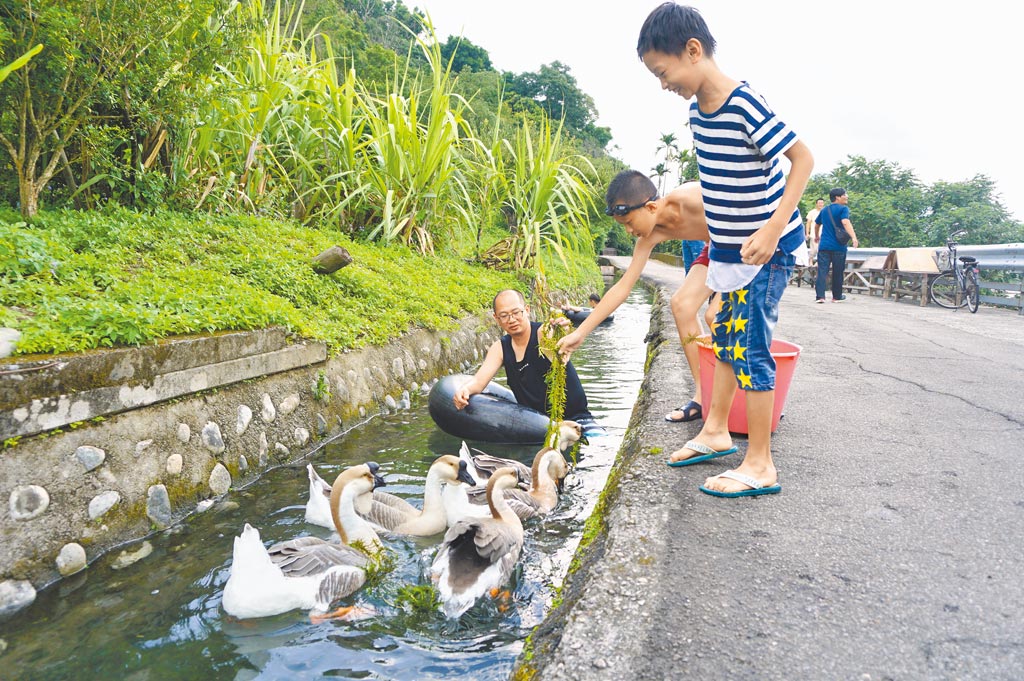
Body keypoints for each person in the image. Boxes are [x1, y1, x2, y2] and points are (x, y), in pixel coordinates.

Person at [600, 2, 814, 498]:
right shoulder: (699, 112)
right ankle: (716, 431)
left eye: (663, 71)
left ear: (692, 50)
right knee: (724, 341)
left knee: (752, 348)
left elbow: (801, 157)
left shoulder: (743, 103)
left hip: (768, 248)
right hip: (732, 255)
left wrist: (774, 225)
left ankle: (760, 463)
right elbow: (722, 188)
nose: (663, 83)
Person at [554, 171, 716, 425]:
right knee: (682, 306)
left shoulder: (693, 197)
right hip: (717, 248)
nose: (629, 231)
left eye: (629, 222)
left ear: (651, 206)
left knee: (716, 316)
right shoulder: (648, 236)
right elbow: (622, 287)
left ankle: (751, 393)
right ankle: (705, 396)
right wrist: (580, 333)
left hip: (750, 240)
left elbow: (744, 212)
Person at [454, 289, 595, 426]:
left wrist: (560, 330)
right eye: (504, 315)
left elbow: (553, 336)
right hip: (534, 425)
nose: (512, 319)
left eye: (516, 312)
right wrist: (465, 390)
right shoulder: (499, 349)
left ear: (527, 310)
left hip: (577, 419)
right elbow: (479, 381)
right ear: (496, 318)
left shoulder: (542, 333)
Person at [814, 187, 859, 303]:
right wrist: (853, 237)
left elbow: (816, 224)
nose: (847, 196)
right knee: (838, 271)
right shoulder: (843, 209)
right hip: (839, 246)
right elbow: (845, 222)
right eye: (845, 194)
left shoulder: (824, 210)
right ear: (838, 197)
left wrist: (817, 236)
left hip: (824, 246)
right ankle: (836, 296)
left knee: (822, 271)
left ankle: (820, 296)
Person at [805, 197, 825, 264]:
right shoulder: (812, 212)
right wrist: (807, 233)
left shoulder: (825, 212)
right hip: (814, 234)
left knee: (822, 249)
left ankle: (818, 262)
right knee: (814, 249)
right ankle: (810, 260)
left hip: (824, 234)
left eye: (822, 203)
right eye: (819, 203)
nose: (820, 204)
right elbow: (808, 223)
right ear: (816, 204)